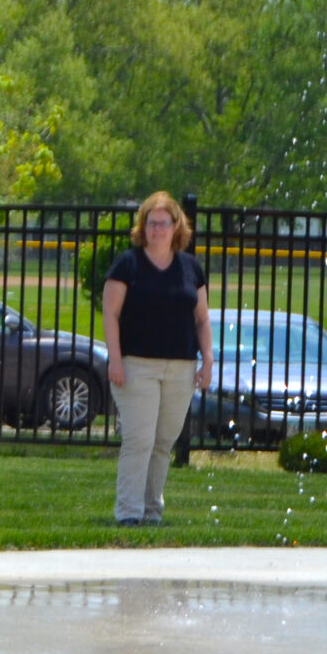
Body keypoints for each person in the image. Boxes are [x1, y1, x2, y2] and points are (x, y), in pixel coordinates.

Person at [100, 191, 213, 527]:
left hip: (180, 367)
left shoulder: (191, 267)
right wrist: (115, 359)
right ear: (143, 227)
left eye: (164, 223)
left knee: (163, 441)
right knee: (139, 438)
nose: (158, 229)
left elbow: (202, 318)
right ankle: (129, 511)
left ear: (176, 226)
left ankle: (152, 510)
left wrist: (207, 359)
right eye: (152, 223)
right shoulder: (128, 264)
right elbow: (110, 312)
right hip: (137, 366)